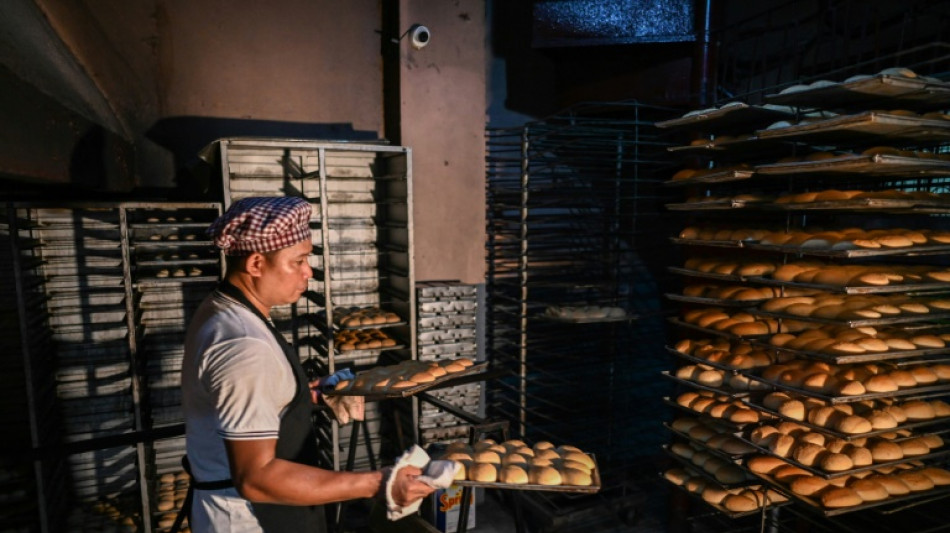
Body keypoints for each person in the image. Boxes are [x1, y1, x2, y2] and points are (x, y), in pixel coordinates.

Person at [181, 196, 434, 532]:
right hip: (251, 519)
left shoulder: (225, 307)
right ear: (256, 264)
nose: (308, 271)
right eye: (297, 261)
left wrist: (304, 395)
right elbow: (256, 479)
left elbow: (242, 399)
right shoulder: (244, 345)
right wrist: (378, 483)